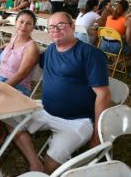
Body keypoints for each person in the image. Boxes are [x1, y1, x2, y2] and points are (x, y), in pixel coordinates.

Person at [13, 12, 111, 174]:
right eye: (51, 26)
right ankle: (34, 162)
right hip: (44, 109)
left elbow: (104, 95)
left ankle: (44, 169)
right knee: (9, 118)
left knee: (51, 164)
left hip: (77, 121)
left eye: (61, 25)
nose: (55, 30)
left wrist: (97, 136)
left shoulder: (90, 54)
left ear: (72, 27)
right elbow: (34, 56)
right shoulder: (51, 50)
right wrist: (13, 45)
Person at [0, 10, 40, 150]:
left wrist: (1, 88)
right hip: (0, 79)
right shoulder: (15, 37)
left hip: (18, 86)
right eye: (21, 22)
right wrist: (6, 46)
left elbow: (21, 74)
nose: (24, 26)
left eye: (28, 24)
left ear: (33, 27)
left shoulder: (32, 47)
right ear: (15, 22)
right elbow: (14, 49)